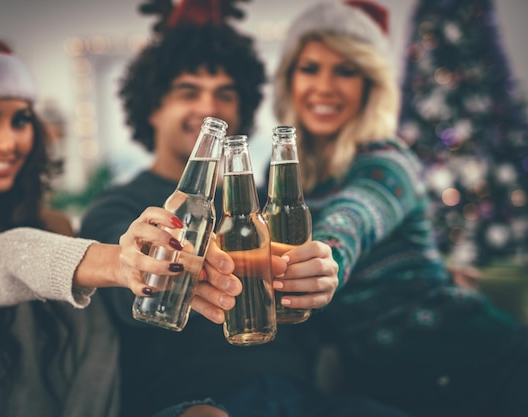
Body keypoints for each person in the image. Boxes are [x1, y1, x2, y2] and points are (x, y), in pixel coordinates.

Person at [81, 1, 415, 417]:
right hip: (190, 401)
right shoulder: (120, 205)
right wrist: (140, 263)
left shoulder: (266, 204)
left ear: (243, 109)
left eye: (225, 94)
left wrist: (329, 269)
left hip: (302, 396)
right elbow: (117, 291)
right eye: (189, 92)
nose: (209, 108)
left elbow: (340, 241)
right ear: (152, 107)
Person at [0, 32, 244, 417]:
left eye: (20, 120)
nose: (8, 141)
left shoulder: (57, 225)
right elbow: (5, 257)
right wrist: (119, 263)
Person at [271, 1, 528, 416]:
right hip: (392, 393)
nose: (324, 86)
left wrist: (325, 257)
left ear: (370, 83)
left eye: (346, 70)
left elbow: (353, 218)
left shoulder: (387, 159)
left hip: (490, 365)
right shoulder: (279, 178)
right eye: (310, 68)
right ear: (289, 78)